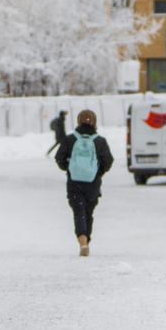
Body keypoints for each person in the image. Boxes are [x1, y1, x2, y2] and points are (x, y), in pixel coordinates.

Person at [54, 109, 114, 257]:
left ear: (78, 121)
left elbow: (59, 158)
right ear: (94, 122)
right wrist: (97, 172)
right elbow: (108, 161)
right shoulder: (100, 141)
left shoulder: (70, 140)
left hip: (74, 183)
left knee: (78, 212)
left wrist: (69, 169)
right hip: (93, 184)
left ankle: (83, 242)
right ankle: (86, 240)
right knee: (88, 213)